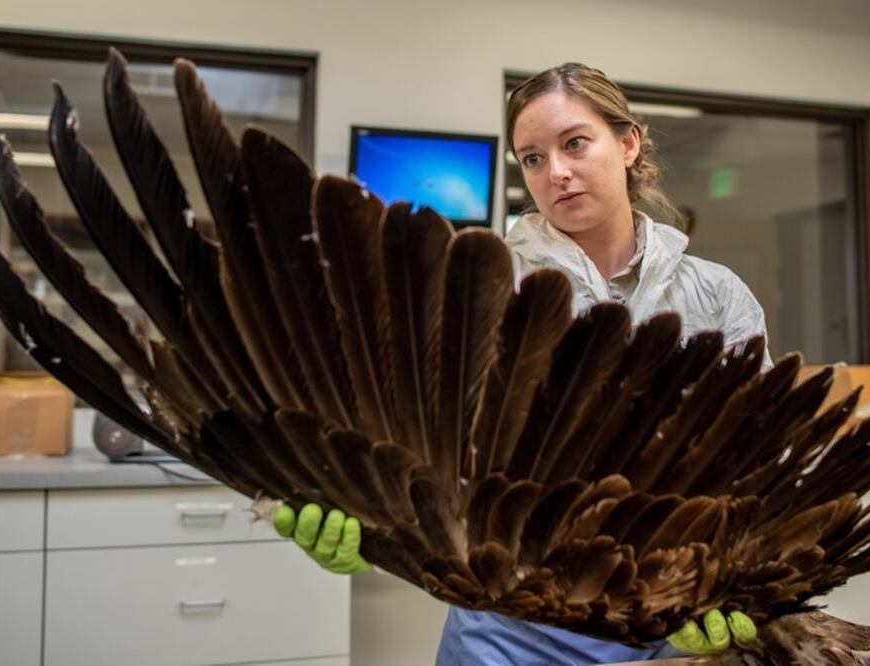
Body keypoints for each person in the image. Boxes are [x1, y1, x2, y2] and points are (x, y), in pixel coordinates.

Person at [275, 62, 772, 665]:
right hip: (505, 633)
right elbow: (410, 431)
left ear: (628, 142)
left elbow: (759, 458)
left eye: (574, 143)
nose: (555, 171)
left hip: (667, 624)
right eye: (531, 158)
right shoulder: (475, 284)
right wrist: (362, 510)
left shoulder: (717, 296)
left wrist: (737, 578)